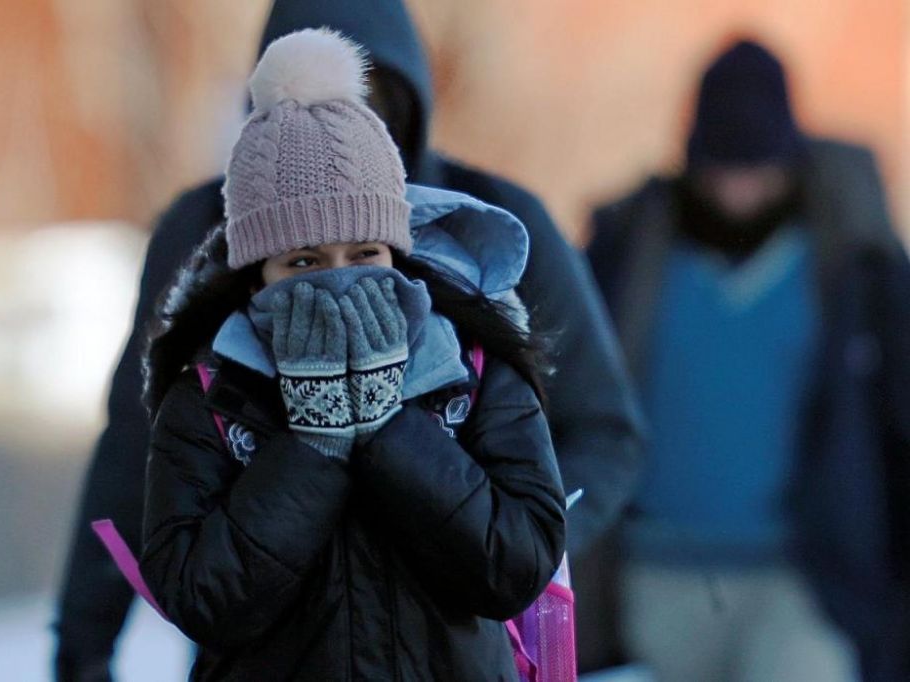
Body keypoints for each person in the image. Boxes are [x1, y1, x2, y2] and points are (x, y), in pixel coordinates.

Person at [54, 1, 644, 678]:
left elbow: (601, 433)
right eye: (302, 261)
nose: (342, 126)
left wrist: (504, 544)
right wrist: (84, 640)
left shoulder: (493, 235)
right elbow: (137, 449)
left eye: (371, 101)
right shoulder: (205, 236)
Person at [138, 28, 566, 680]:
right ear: (258, 274)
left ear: (396, 252)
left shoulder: (470, 371)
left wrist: (391, 427)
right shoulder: (211, 395)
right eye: (305, 261)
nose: (339, 280)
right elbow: (202, 600)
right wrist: (316, 442)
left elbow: (517, 567)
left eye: (364, 254)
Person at [587, 39, 910, 681]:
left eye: (755, 167)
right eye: (721, 167)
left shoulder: (855, 267)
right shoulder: (629, 255)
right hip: (654, 580)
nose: (737, 190)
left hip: (805, 583)